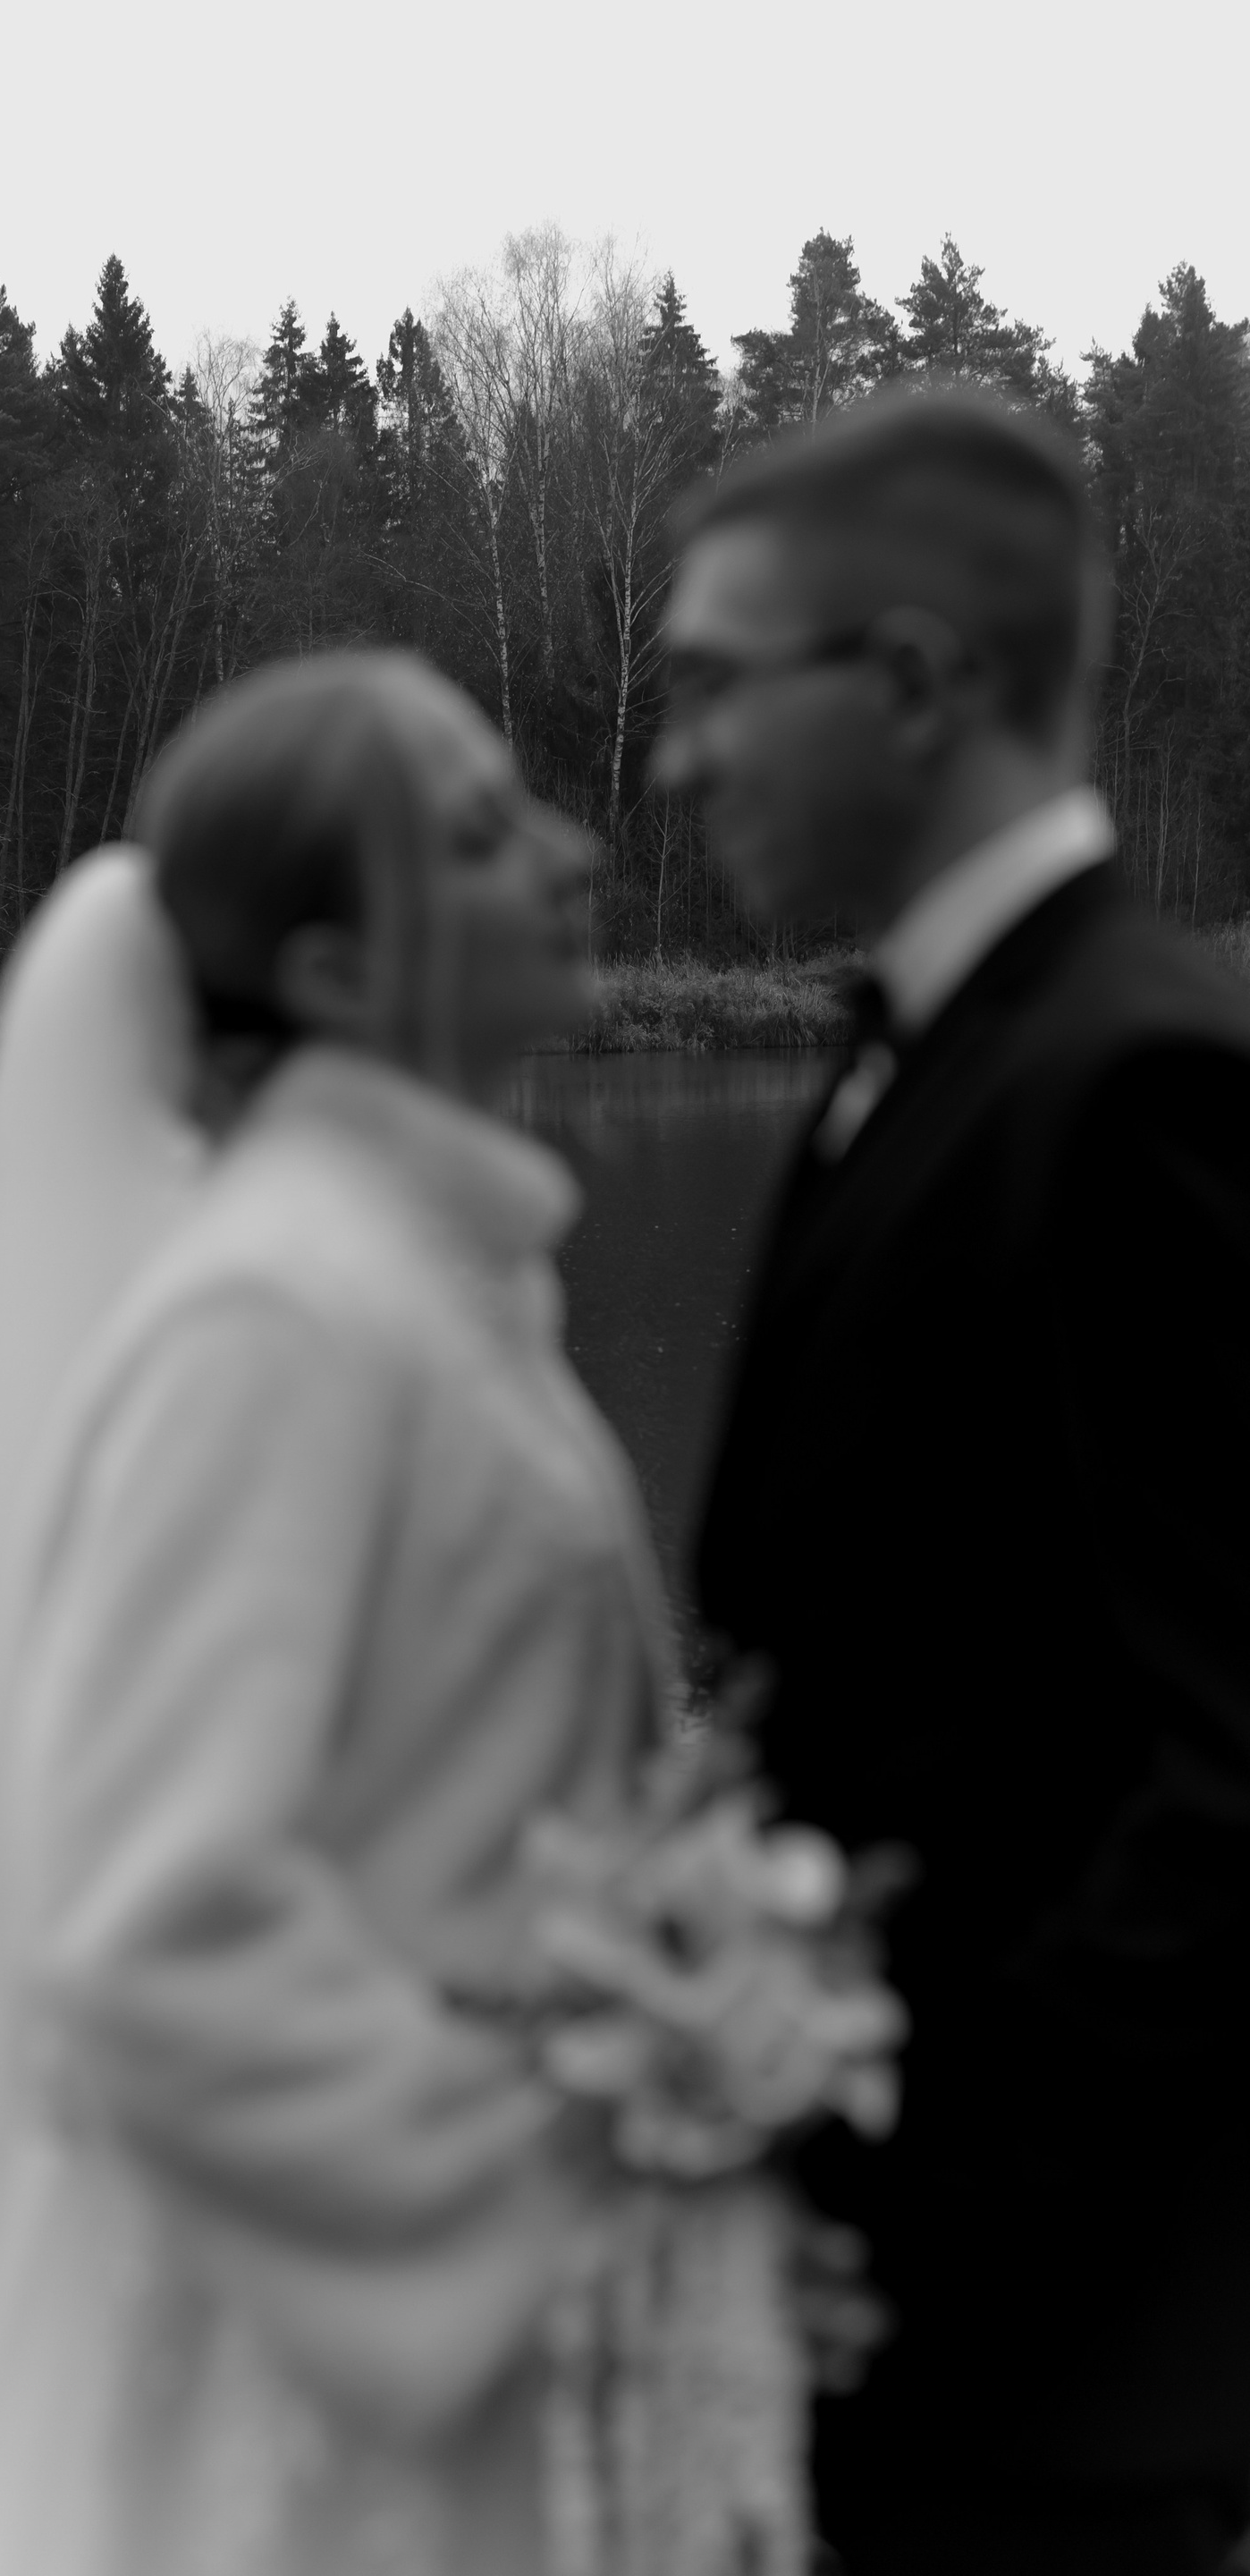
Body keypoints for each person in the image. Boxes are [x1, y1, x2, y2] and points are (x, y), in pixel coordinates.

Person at [0, 650, 672, 2576]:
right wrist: (551, 2199)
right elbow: (152, 1930)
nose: (574, 853)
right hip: (333, 2422)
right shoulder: (276, 1316)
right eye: (482, 832)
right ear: (333, 971)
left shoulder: (416, 1279)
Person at [658, 389, 1250, 2574]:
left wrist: (898, 2194)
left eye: (719, 685)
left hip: (1040, 2373)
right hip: (910, 2353)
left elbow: (1228, 1783)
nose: (678, 760)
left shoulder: (1138, 1082)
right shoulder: (929, 1048)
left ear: (914, 679)